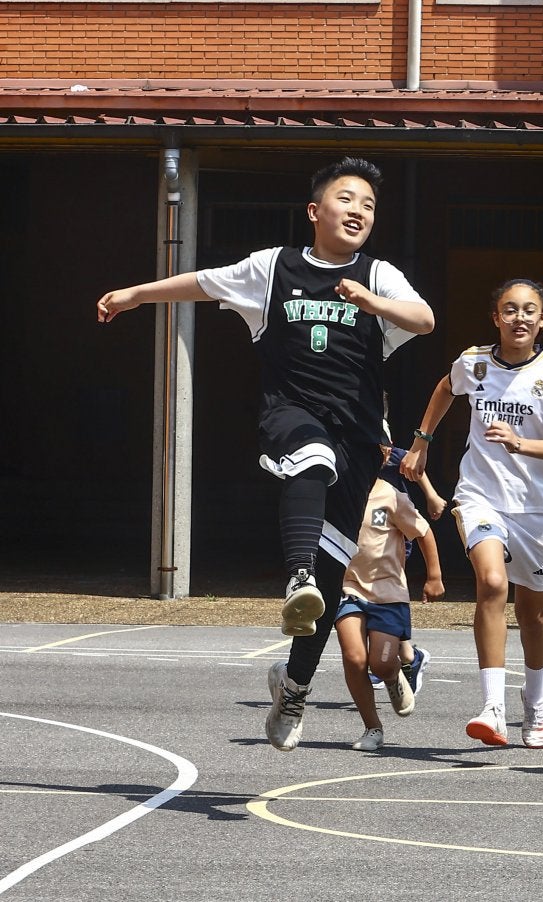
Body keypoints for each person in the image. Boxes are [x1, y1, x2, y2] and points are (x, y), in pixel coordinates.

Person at [96, 157, 434, 752]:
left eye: (370, 206)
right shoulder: (273, 268)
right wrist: (136, 295)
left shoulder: (378, 276)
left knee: (332, 584)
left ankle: (294, 686)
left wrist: (375, 305)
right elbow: (203, 281)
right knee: (311, 460)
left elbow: (425, 319)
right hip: (291, 413)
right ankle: (296, 573)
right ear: (315, 211)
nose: (359, 210)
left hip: (358, 435)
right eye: (347, 199)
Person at [401, 278, 543, 750]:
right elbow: (444, 389)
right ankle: (493, 707)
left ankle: (536, 701)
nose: (519, 318)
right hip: (480, 496)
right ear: (496, 317)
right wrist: (422, 441)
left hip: (535, 508)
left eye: (528, 311)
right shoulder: (474, 363)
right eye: (509, 310)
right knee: (492, 583)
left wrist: (521, 442)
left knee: (533, 613)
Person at [333, 443, 442, 751]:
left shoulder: (392, 496)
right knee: (354, 658)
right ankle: (372, 727)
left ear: (381, 457)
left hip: (387, 592)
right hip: (349, 588)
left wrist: (434, 577)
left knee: (380, 665)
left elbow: (423, 532)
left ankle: (394, 676)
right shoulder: (338, 492)